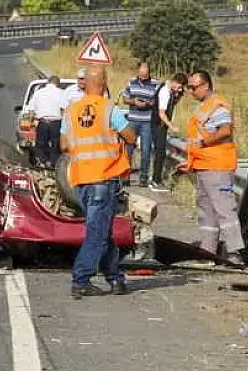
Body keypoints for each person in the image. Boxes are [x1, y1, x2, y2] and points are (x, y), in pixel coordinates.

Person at [60, 64, 139, 298]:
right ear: (103, 84)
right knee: (97, 232)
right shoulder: (109, 109)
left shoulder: (72, 111)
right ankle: (81, 278)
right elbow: (131, 135)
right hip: (103, 179)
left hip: (80, 180)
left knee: (102, 231)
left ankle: (115, 278)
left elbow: (64, 144)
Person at [180, 69, 246, 266]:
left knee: (224, 209)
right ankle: (208, 252)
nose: (191, 91)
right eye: (189, 87)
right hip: (204, 166)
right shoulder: (203, 107)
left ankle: (235, 252)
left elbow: (225, 130)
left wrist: (204, 144)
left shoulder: (218, 106)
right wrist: (190, 162)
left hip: (217, 166)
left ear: (206, 85)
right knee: (206, 211)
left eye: (194, 87)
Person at [121, 62, 161, 187]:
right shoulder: (130, 82)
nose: (142, 78)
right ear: (138, 72)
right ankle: (125, 177)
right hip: (132, 120)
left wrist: (149, 104)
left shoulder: (156, 84)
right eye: (141, 75)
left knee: (146, 151)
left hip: (147, 122)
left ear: (149, 73)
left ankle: (143, 179)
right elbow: (125, 99)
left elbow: (158, 101)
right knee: (128, 150)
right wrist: (134, 101)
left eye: (145, 75)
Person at [149, 73, 188, 192]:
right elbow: (162, 113)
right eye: (180, 87)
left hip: (158, 125)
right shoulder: (165, 92)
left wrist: (178, 95)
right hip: (159, 125)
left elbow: (171, 104)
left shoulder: (168, 91)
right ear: (175, 82)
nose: (180, 89)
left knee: (159, 152)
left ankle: (155, 177)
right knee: (160, 153)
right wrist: (172, 126)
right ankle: (156, 181)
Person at [24, 75, 65, 168]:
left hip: (42, 122)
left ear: (48, 82)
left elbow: (31, 109)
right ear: (57, 84)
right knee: (56, 145)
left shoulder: (38, 93)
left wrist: (31, 122)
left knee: (41, 144)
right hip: (56, 123)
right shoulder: (62, 93)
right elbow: (65, 109)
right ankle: (53, 164)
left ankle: (42, 162)